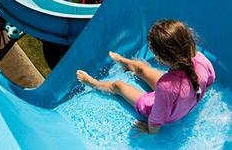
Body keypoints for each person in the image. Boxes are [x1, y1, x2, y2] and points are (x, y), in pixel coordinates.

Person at [76, 20, 215, 134]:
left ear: (162, 57)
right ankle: (124, 63)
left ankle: (92, 82)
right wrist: (189, 97)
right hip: (179, 99)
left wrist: (150, 131)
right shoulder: (200, 59)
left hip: (169, 111)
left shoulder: (165, 86)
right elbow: (209, 82)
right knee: (142, 68)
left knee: (118, 85)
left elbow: (156, 118)